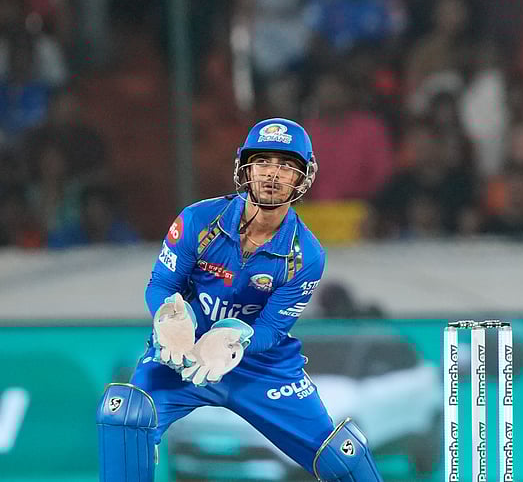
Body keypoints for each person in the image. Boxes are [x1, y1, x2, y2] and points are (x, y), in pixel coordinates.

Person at [96, 118, 383, 481]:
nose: (272, 174)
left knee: (341, 456)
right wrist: (169, 315)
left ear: (304, 177)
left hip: (261, 367)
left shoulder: (306, 255)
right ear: (245, 168)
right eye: (262, 162)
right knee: (126, 415)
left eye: (286, 165)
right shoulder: (198, 220)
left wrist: (237, 338)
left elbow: (272, 329)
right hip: (186, 353)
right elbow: (161, 284)